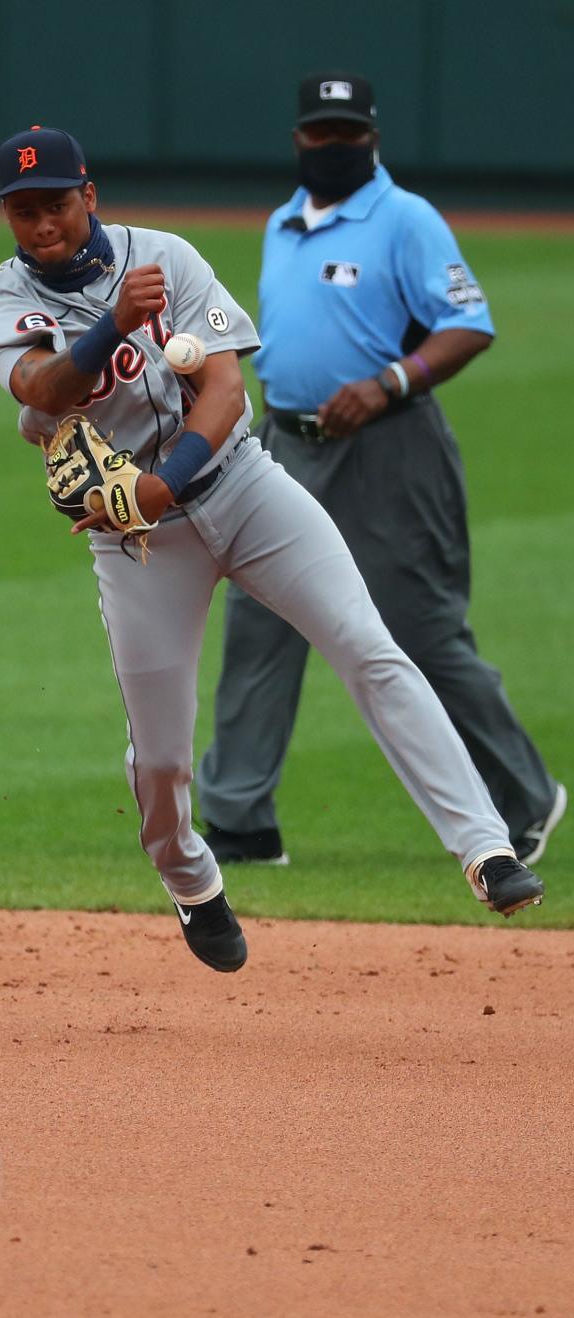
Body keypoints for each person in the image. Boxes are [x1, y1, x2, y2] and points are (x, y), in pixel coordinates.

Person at [0, 125, 545, 975]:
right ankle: (190, 879)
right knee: (162, 758)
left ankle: (486, 849)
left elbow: (227, 388)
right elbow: (39, 387)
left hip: (244, 487)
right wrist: (110, 332)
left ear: (88, 195)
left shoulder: (165, 256)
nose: (42, 223)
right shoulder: (4, 297)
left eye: (55, 203)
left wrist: (161, 481)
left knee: (366, 644)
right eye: (23, 210)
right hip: (142, 549)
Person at [197, 72, 565, 870]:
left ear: (372, 138)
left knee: (421, 629)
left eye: (347, 134)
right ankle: (239, 819)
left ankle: (525, 797)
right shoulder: (282, 223)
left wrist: (389, 380)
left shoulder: (406, 219)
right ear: (299, 138)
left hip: (391, 450)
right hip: (286, 446)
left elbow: (469, 323)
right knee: (260, 623)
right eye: (320, 134)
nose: (333, 147)